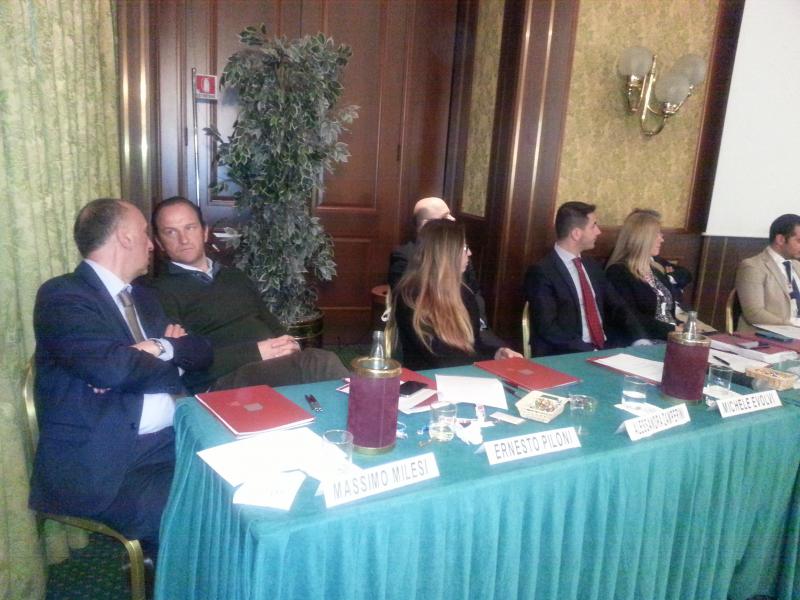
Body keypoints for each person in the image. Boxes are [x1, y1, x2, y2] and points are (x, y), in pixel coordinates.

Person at [30, 198, 213, 556]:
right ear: (125, 237)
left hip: (174, 439)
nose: (151, 244)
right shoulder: (63, 296)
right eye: (145, 232)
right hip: (115, 461)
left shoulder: (144, 297)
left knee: (245, 478)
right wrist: (165, 359)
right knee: (201, 512)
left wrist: (158, 347)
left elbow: (201, 351)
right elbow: (111, 369)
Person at [145, 197, 348, 393]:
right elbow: (185, 361)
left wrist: (289, 344)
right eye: (170, 232)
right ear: (159, 243)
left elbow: (269, 320)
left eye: (190, 228)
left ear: (204, 232)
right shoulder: (157, 293)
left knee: (322, 377)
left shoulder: (234, 276)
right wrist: (257, 352)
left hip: (273, 365)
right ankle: (362, 409)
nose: (183, 239)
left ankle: (353, 409)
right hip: (222, 380)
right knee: (320, 363)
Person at [393, 219, 521, 370]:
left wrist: (495, 353)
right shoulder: (411, 296)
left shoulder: (464, 293)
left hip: (462, 374)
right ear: (447, 253)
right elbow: (437, 357)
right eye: (465, 248)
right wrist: (480, 361)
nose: (470, 253)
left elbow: (473, 345)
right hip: (429, 378)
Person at [524, 201, 647, 356]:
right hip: (567, 354)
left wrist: (639, 338)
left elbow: (618, 306)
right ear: (576, 233)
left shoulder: (591, 265)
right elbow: (548, 328)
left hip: (605, 348)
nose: (598, 231)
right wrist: (590, 352)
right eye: (593, 226)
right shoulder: (542, 272)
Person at [388, 196, 505, 348]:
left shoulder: (461, 255)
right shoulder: (405, 257)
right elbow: (413, 302)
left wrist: (478, 323)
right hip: (436, 331)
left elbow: (474, 292)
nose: (453, 219)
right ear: (426, 225)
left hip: (472, 326)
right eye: (445, 216)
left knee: (509, 356)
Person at [605, 210, 681, 340]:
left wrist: (680, 325)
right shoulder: (618, 272)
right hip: (642, 341)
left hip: (669, 338)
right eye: (656, 234)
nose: (662, 239)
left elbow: (667, 312)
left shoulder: (657, 271)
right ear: (642, 239)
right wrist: (671, 330)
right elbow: (628, 317)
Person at [735, 213, 800, 333]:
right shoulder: (753, 267)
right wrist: (793, 325)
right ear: (780, 240)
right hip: (767, 335)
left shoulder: (797, 265)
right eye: (799, 241)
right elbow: (754, 313)